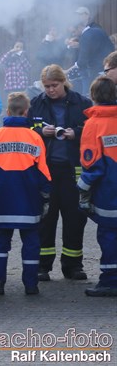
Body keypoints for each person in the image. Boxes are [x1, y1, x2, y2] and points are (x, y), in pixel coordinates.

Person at [0, 92, 52, 296]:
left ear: (8, 111)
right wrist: (46, 195)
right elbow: (43, 171)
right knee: (31, 241)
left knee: (1, 241)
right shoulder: (35, 137)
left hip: (2, 198)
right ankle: (31, 285)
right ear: (27, 112)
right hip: (29, 198)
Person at [28, 64, 92, 281]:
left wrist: (78, 133)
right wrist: (40, 131)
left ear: (63, 82)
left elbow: (93, 129)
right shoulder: (36, 104)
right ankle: (42, 266)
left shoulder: (81, 103)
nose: (50, 90)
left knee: (75, 219)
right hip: (46, 171)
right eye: (46, 86)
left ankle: (73, 266)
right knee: (46, 219)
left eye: (54, 85)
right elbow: (27, 129)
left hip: (72, 171)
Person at [78, 76, 117, 297]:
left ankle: (110, 281)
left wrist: (82, 190)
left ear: (93, 96)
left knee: (109, 235)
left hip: (108, 190)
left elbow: (92, 164)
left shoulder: (93, 124)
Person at [74, 7, 113, 96]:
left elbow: (85, 57)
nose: (77, 17)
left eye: (80, 14)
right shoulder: (91, 30)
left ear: (87, 15)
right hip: (103, 67)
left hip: (97, 68)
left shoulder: (91, 30)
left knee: (91, 94)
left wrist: (75, 66)